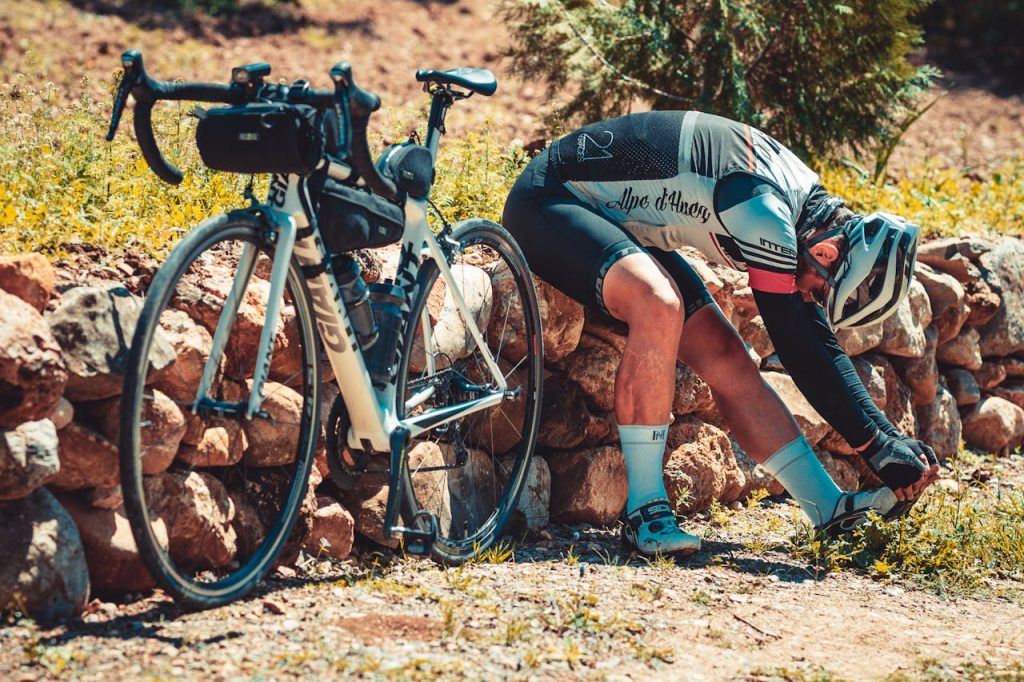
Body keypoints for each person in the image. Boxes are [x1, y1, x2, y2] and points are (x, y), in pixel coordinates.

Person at [502, 111, 940, 556]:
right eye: (817, 290)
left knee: (727, 356)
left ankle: (828, 510)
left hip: (616, 220)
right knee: (658, 303)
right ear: (826, 252)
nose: (808, 296)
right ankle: (645, 515)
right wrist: (878, 446)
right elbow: (797, 343)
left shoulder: (806, 211)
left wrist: (887, 439)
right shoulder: (765, 212)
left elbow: (815, 337)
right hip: (551, 201)